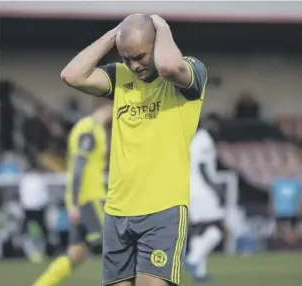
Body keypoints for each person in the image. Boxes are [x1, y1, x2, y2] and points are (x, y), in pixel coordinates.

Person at [61, 13, 207, 286]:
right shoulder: (121, 77)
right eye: (126, 57)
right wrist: (116, 32)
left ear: (156, 42)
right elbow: (71, 75)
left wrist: (160, 26)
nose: (134, 65)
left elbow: (168, 67)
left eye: (139, 56)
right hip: (117, 211)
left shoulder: (190, 71)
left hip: (163, 210)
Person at [33, 104, 112, 286]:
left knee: (76, 253)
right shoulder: (90, 129)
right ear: (110, 107)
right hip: (89, 200)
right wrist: (76, 203)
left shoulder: (85, 127)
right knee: (114, 246)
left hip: (82, 199)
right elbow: (78, 167)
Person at [185, 127, 224, 282]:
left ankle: (199, 273)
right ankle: (193, 259)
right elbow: (202, 166)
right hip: (202, 189)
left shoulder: (190, 138)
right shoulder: (203, 139)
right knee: (217, 227)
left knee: (200, 230)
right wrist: (215, 188)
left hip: (189, 189)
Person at [270, 168, 302, 245]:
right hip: (280, 211)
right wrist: (272, 208)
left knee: (292, 229)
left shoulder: (296, 184)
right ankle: (281, 245)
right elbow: (273, 197)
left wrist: (300, 209)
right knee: (280, 231)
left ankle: (292, 244)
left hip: (292, 211)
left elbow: (299, 198)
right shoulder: (277, 184)